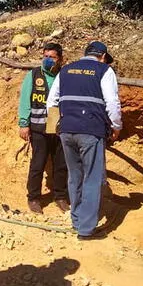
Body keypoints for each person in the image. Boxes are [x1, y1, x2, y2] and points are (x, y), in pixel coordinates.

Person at [46, 41, 122, 240]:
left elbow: (51, 102)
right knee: (92, 178)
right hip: (91, 130)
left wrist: (57, 126)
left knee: (75, 176)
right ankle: (86, 229)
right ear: (103, 56)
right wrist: (116, 126)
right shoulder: (104, 70)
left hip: (67, 130)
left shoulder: (66, 70)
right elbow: (112, 103)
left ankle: (77, 219)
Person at [17, 43, 69, 214]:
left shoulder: (65, 75)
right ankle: (33, 198)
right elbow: (25, 100)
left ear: (60, 59)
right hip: (38, 127)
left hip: (59, 127)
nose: (47, 60)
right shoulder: (33, 75)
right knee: (37, 164)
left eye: (52, 57)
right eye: (45, 56)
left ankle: (60, 196)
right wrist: (24, 124)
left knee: (61, 164)